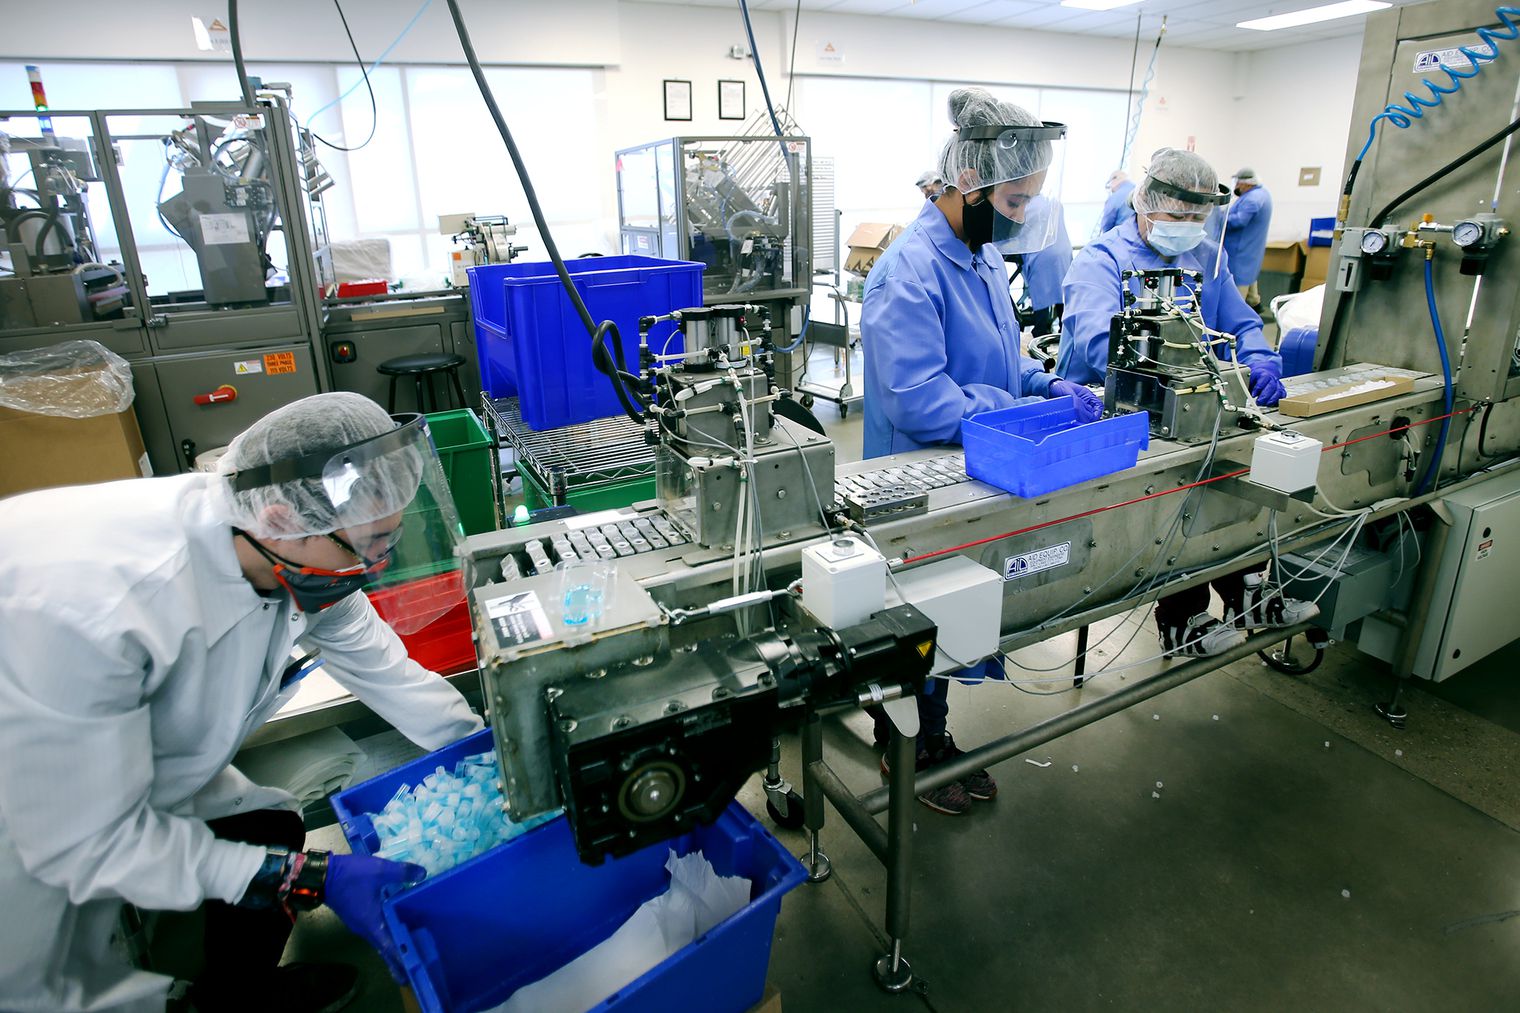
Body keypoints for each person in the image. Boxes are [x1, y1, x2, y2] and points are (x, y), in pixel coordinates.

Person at [0, 392, 485, 1013]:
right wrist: (310, 877)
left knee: (266, 823)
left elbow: (388, 670)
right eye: (366, 545)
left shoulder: (288, 552)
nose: (376, 565)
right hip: (37, 816)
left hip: (142, 759)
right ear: (283, 518)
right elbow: (86, 842)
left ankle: (239, 996)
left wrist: (484, 747)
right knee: (65, 983)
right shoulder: (109, 604)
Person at [862, 87, 1102, 815]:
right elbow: (919, 399)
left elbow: (997, 360)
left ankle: (931, 732)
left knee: (960, 616)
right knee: (917, 629)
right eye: (1016, 200)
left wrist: (1044, 382)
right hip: (918, 481)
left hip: (979, 468)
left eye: (1030, 201)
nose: (1020, 215)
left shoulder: (982, 255)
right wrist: (1019, 407)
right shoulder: (907, 272)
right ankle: (905, 746)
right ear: (968, 184)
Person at [1059, 149, 1289, 658]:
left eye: (1197, 218)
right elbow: (1101, 346)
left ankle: (1245, 588)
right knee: (1175, 500)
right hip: (1112, 412)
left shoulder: (1207, 258)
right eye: (1176, 215)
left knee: (1231, 483)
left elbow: (1243, 321)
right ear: (1144, 205)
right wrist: (1175, 374)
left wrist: (1261, 359)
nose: (1188, 227)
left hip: (1196, 404)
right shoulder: (1100, 263)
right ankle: (1182, 619)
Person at [1009, 195, 1073, 336]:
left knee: (1042, 292)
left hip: (1043, 253)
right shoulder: (1053, 201)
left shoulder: (1029, 206)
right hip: (1063, 250)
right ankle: (1065, 331)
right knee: (1061, 293)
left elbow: (1016, 228)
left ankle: (1040, 331)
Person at [1222, 167, 1273, 309]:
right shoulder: (1262, 194)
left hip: (1240, 251)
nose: (1237, 186)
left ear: (1247, 183)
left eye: (1238, 183)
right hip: (1250, 251)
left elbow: (1239, 221)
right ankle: (1255, 304)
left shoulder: (1252, 198)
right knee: (1250, 280)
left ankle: (1235, 323)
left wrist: (1219, 218)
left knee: (1236, 296)